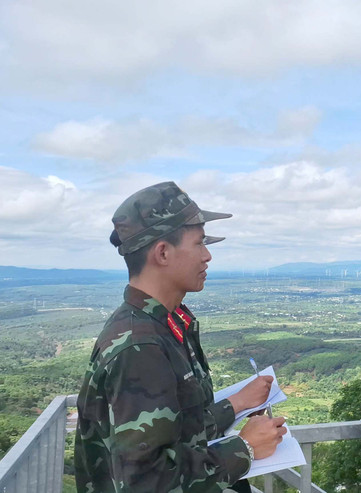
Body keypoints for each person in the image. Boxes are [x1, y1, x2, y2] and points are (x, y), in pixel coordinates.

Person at [74, 181, 286, 493]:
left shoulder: (166, 323)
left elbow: (179, 430)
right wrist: (244, 447)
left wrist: (237, 403)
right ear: (162, 252)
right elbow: (147, 484)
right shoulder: (140, 347)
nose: (208, 256)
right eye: (200, 243)